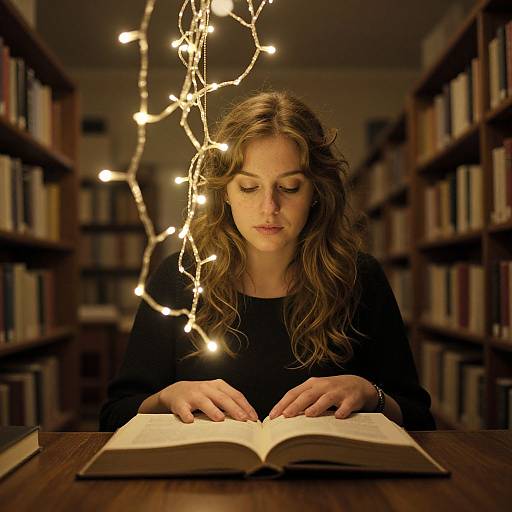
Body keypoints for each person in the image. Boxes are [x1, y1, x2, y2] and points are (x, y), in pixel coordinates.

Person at [99, 91, 435, 432]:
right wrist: (165, 398)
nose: (269, 208)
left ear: (316, 192)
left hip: (332, 481)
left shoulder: (359, 278)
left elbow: (420, 418)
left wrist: (370, 394)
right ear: (224, 192)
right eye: (248, 187)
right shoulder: (180, 276)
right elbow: (114, 416)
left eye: (289, 187)